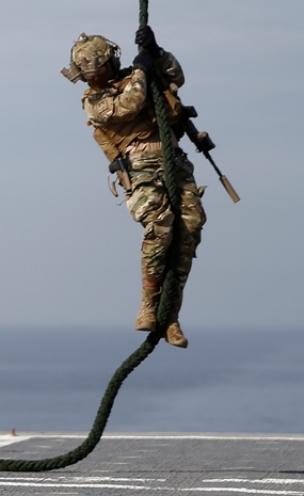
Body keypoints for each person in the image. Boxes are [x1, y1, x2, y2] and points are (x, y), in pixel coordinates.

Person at [62, 26, 205, 348]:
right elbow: (130, 104)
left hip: (173, 160)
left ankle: (171, 316)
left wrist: (156, 53)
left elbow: (175, 77)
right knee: (160, 229)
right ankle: (149, 304)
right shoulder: (95, 101)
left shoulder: (136, 76)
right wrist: (141, 70)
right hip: (140, 168)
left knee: (190, 230)